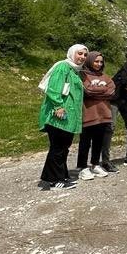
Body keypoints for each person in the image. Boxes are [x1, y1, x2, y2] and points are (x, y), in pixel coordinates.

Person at [38, 44, 87, 189]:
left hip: (69, 116)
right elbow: (53, 88)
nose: (82, 57)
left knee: (63, 147)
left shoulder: (75, 70)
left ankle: (59, 176)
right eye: (80, 54)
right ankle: (55, 181)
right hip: (59, 114)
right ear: (72, 53)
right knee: (58, 148)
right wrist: (58, 106)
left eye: (85, 55)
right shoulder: (63, 67)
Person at [76, 51, 116, 180]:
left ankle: (95, 164)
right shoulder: (82, 75)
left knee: (98, 141)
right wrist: (102, 91)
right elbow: (86, 91)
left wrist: (95, 92)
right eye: (96, 61)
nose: (99, 64)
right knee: (85, 142)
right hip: (88, 114)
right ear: (89, 61)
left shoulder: (105, 77)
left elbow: (111, 91)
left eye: (101, 62)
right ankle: (82, 167)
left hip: (104, 114)